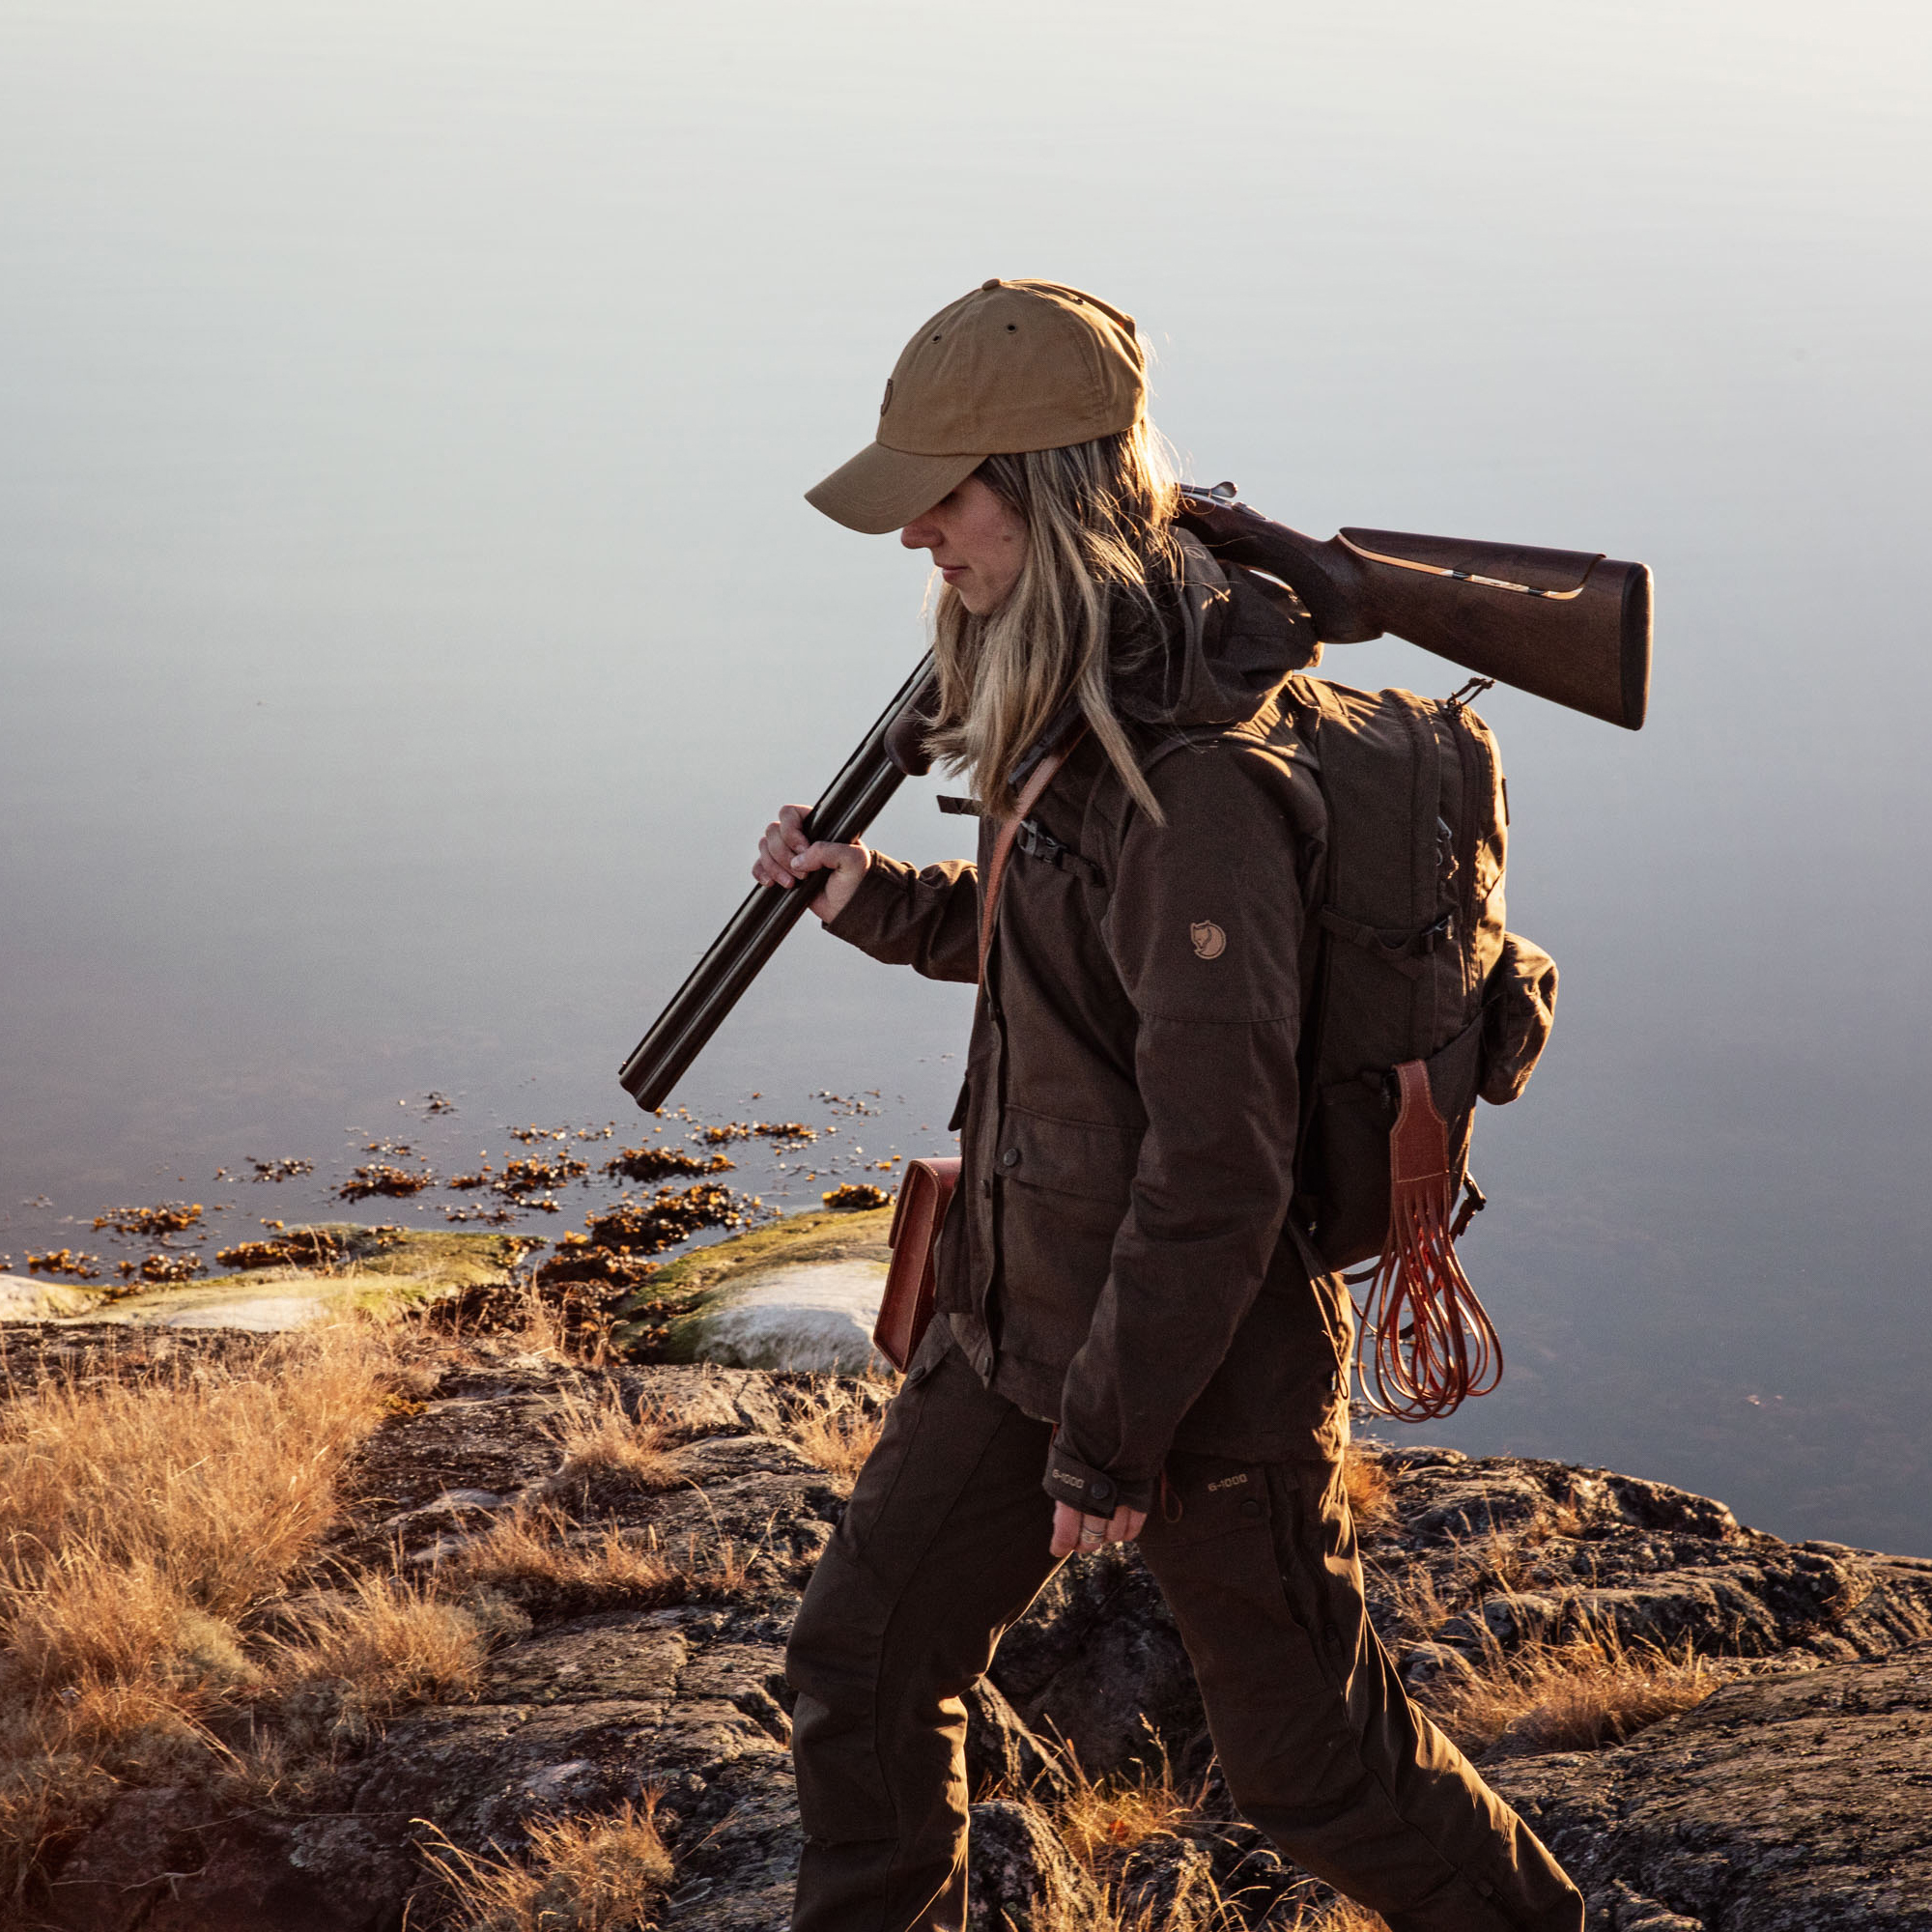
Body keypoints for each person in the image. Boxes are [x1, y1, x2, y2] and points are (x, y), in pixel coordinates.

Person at [755, 278, 1584, 1932]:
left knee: (1313, 1770)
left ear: (1055, 493)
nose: (918, 532)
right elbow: (1061, 958)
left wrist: (1112, 1441)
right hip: (1020, 1317)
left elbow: (1218, 1164)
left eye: (949, 493)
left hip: (1200, 1372)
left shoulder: (1197, 780)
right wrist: (883, 902)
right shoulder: (1090, 692)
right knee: (861, 1660)